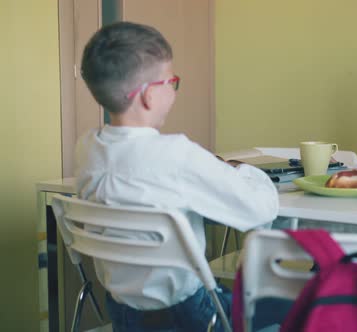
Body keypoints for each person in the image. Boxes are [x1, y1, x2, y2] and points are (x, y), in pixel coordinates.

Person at [77, 21, 279, 331]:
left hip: (122, 315)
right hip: (192, 317)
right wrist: (246, 173)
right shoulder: (176, 155)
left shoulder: (88, 149)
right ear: (147, 96)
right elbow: (259, 209)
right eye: (171, 81)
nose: (173, 89)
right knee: (289, 306)